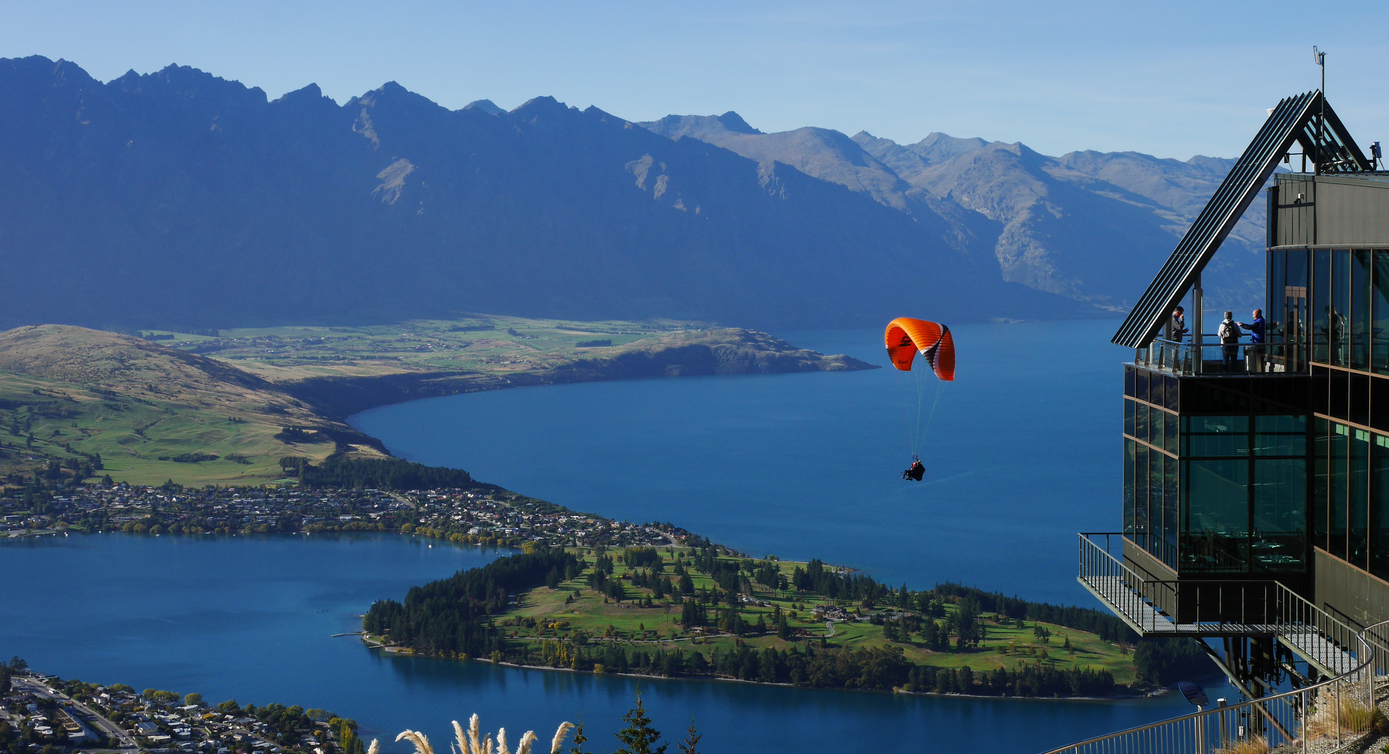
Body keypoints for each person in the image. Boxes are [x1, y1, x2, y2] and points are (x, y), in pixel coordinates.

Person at [1238, 308, 1266, 373]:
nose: (1253, 315)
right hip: (1259, 343)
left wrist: (1242, 325)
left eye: (1254, 314)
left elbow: (1250, 327)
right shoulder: (1262, 321)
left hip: (1259, 343)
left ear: (1258, 314)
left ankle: (1257, 371)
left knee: (1258, 359)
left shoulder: (1259, 322)